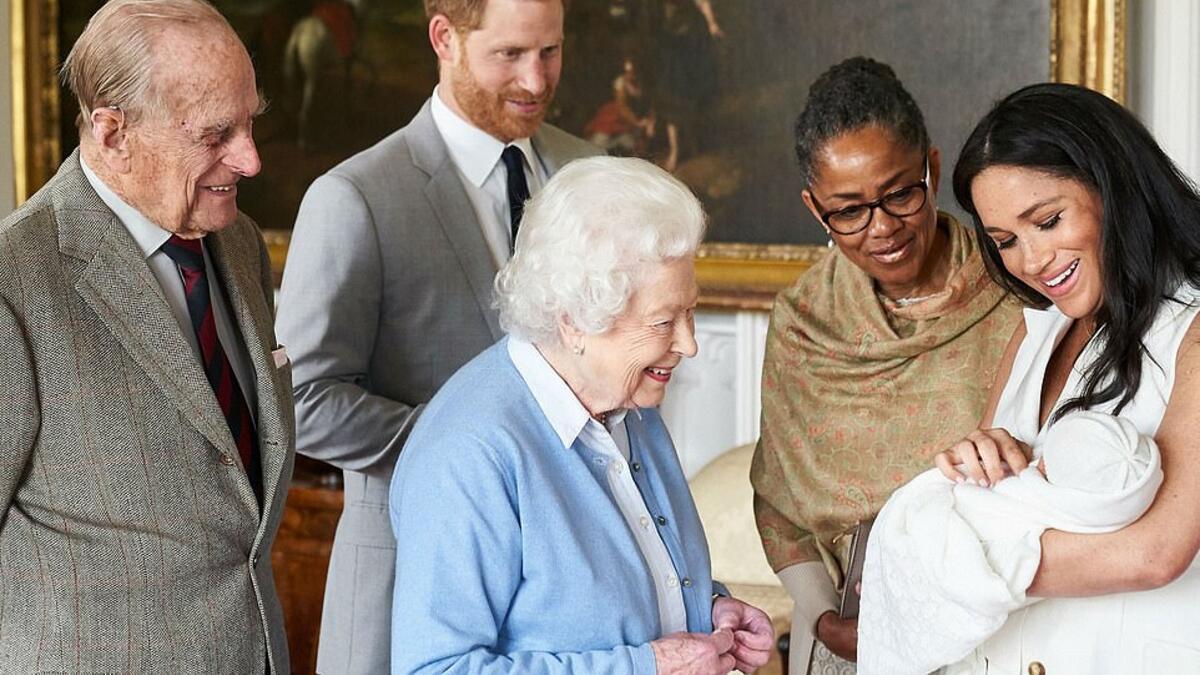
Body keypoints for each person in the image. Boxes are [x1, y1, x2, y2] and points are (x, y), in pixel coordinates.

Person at [274, 0, 599, 671]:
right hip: (408, 581)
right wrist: (472, 449)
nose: (536, 82)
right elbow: (301, 400)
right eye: (510, 55)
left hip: (570, 598)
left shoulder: (590, 173)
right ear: (443, 38)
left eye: (551, 52)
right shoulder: (355, 197)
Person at [388, 156, 774, 675]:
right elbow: (436, 670)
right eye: (663, 321)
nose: (689, 343)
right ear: (574, 322)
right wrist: (646, 668)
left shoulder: (629, 402)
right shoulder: (469, 454)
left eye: (690, 312)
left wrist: (709, 610)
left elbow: (602, 602)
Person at [0, 1, 294, 672]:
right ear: (112, 133)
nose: (248, 158)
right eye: (216, 133)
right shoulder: (15, 280)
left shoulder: (240, 245)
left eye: (251, 122)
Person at [749, 57, 1022, 673]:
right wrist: (822, 620)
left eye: (900, 193)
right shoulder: (804, 323)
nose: (883, 229)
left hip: (1002, 625)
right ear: (815, 209)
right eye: (849, 210)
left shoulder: (1017, 286)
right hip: (854, 637)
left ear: (931, 166)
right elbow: (778, 500)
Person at [932, 82, 1200, 674]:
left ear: (1114, 186)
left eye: (1048, 220)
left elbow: (1158, 553)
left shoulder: (1193, 331)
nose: (1031, 261)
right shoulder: (1034, 335)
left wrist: (951, 559)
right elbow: (977, 503)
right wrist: (980, 459)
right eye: (1005, 241)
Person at [859, 411, 1161, 674]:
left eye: (1044, 465)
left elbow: (981, 580)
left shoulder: (1040, 517)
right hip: (954, 509)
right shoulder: (1117, 498)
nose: (1037, 464)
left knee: (922, 541)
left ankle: (883, 603)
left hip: (957, 532)